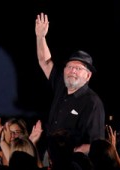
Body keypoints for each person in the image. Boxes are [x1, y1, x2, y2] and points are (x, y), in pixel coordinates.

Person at [35, 12, 105, 154]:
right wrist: (40, 37)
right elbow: (45, 62)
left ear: (88, 76)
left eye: (78, 68)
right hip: (51, 158)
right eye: (70, 66)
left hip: (74, 166)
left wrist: (71, 153)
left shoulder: (92, 103)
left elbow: (96, 145)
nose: (73, 70)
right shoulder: (62, 84)